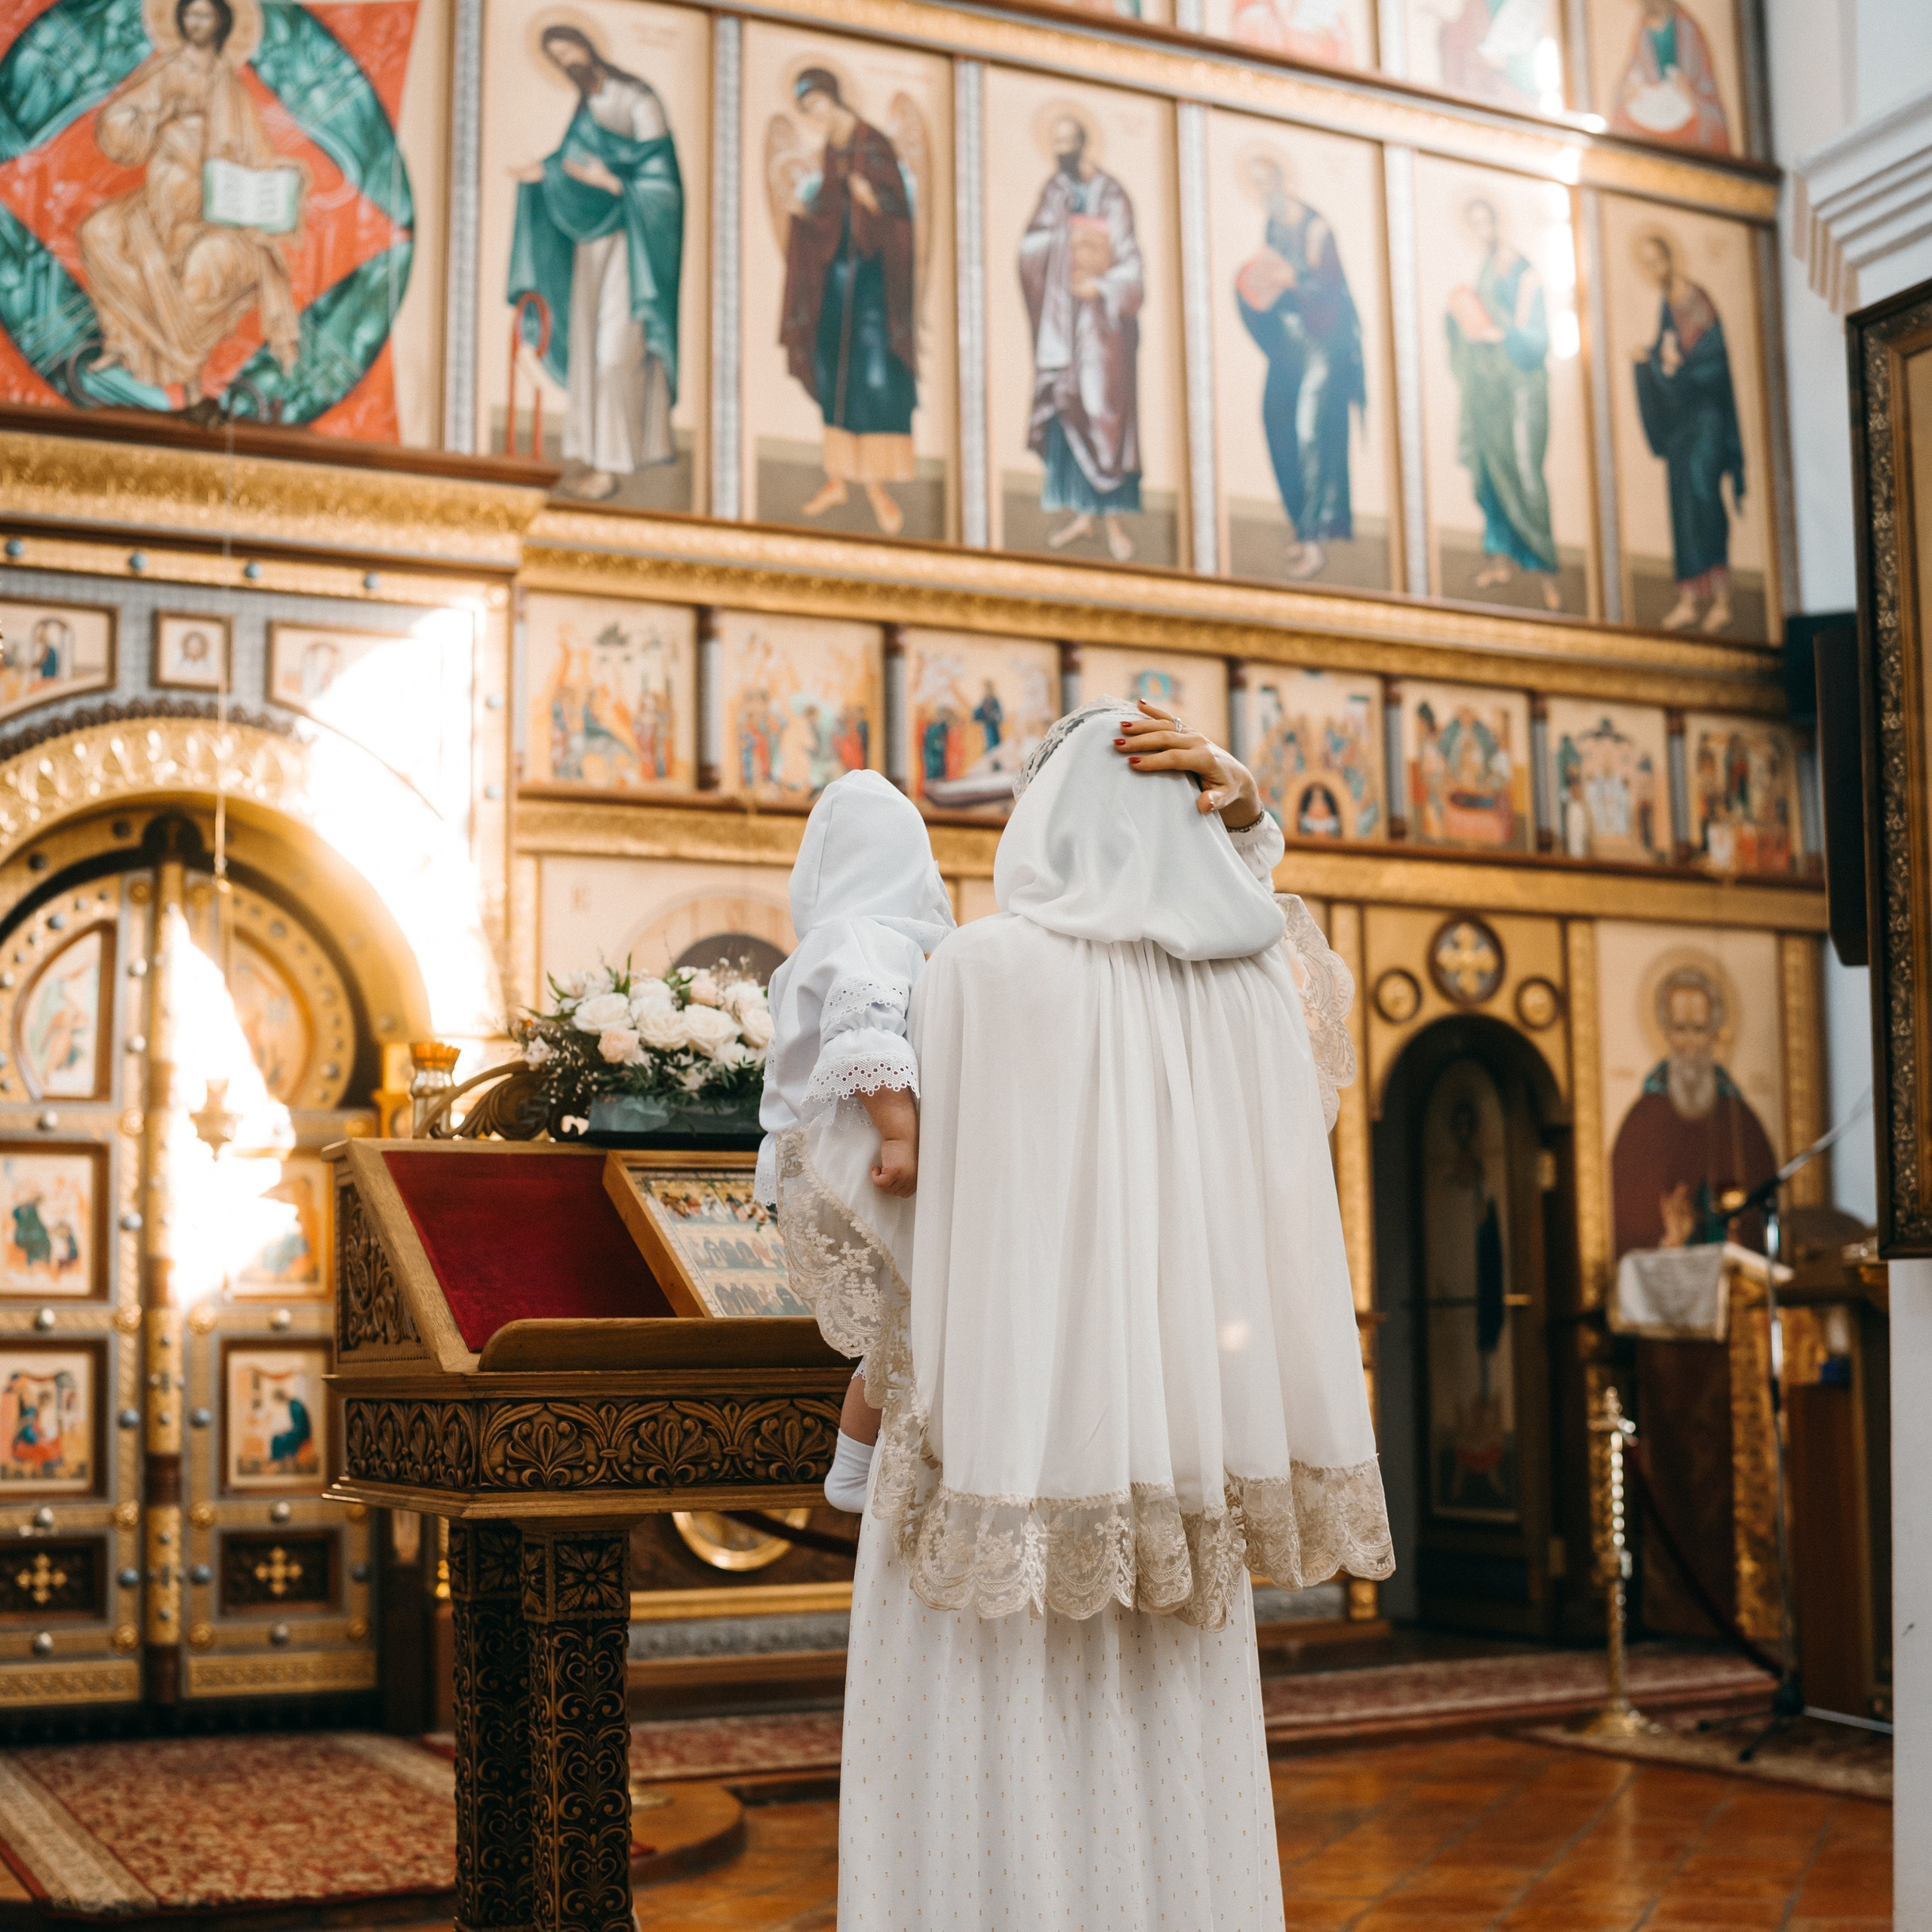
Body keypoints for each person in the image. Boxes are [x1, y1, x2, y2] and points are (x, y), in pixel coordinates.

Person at [787, 698, 1390, 1930]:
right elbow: (1249, 921)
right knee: (1170, 1762)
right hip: (1179, 1454)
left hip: (999, 1452)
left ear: (1049, 815)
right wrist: (1241, 806)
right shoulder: (1251, 992)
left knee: (986, 1752)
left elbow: (894, 1224)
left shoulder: (978, 973)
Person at [759, 771, 956, 1508]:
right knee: (909, 1319)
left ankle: (858, 1464)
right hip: (855, 1154)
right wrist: (900, 1134)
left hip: (818, 1155)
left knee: (899, 1326)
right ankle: (852, 1469)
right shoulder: (863, 941)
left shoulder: (822, 944)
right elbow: (866, 1038)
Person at [77, 0, 300, 411]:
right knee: (99, 233)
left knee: (201, 269)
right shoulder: (167, 70)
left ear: (223, 23)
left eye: (205, 15)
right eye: (190, 14)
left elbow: (255, 155)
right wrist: (153, 117)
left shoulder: (231, 87)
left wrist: (276, 181)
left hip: (212, 210)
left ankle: (188, 368)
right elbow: (121, 126)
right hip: (159, 200)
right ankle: (125, 342)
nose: (196, 23)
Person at [508, 26, 684, 502]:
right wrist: (542, 172)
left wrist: (610, 183)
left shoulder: (638, 99)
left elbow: (662, 182)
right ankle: (592, 456)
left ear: (588, 47)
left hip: (634, 243)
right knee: (588, 349)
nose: (567, 61)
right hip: (593, 242)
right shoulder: (586, 106)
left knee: (615, 352)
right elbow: (572, 161)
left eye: (570, 50)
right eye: (557, 57)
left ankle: (610, 465)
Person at [778, 69, 919, 537]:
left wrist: (874, 200)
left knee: (871, 375)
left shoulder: (872, 143)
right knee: (831, 367)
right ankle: (838, 478)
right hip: (837, 277)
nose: (815, 114)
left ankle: (877, 485)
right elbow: (828, 210)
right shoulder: (832, 149)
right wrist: (806, 216)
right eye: (808, 110)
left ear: (834, 97)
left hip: (873, 281)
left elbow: (899, 212)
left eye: (817, 103)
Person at [1020, 115, 1145, 561]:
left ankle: (1113, 522)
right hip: (1062, 317)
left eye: (1067, 144)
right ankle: (1081, 515)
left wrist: (1103, 285)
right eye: (1055, 145)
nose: (1061, 153)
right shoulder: (1053, 191)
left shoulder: (1113, 196)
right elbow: (1030, 248)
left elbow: (1131, 263)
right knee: (1066, 403)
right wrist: (1060, 242)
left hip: (1104, 325)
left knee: (1103, 411)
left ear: (1083, 144)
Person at [1235, 153, 1365, 580]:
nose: (1262, 192)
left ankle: (1315, 539)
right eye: (1255, 185)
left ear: (1281, 180)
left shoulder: (1316, 228)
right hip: (1290, 346)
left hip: (1323, 345)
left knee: (1310, 434)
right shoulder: (1273, 226)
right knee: (1276, 421)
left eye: (1266, 181)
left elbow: (1330, 289)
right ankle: (1301, 526)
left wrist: (1292, 279)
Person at [1444, 197, 1562, 611]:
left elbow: (1536, 338)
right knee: (1490, 473)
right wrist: (1459, 322)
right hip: (1489, 391)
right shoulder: (1482, 272)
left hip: (1523, 389)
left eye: (1486, 222)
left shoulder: (1523, 273)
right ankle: (1500, 561)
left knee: (1526, 474)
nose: (1482, 232)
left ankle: (1546, 573)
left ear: (1498, 223)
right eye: (1473, 225)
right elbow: (1473, 324)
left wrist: (1501, 335)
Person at [1631, 232, 1745, 633]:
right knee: (1681, 503)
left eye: (1657, 260)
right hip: (1682, 421)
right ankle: (1689, 600)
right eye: (1646, 264)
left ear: (1670, 257)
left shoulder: (1699, 300)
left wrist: (1681, 366)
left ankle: (1723, 599)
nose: (1653, 269)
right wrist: (1648, 360)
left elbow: (1713, 358)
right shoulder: (1667, 304)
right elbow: (1666, 350)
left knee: (1704, 495)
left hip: (1707, 418)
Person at [1611, 0, 1731, 152]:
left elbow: (1709, 99)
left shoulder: (1689, 31)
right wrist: (1627, 92)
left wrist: (1691, 96)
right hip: (1651, 125)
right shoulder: (1643, 32)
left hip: (1688, 127)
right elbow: (1629, 79)